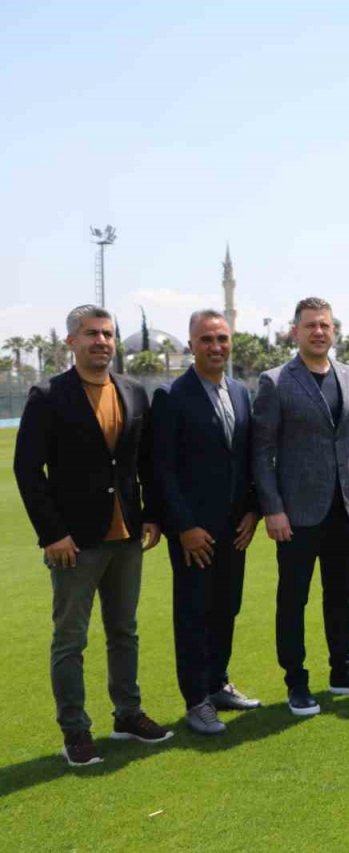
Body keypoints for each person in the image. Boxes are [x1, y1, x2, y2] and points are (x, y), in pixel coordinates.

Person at [14, 305, 171, 767]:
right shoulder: (48, 395)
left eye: (107, 334)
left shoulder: (133, 391)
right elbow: (28, 470)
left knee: (125, 631)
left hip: (127, 537)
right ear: (71, 343)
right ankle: (76, 731)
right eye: (91, 334)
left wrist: (151, 515)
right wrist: (53, 534)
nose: (101, 341)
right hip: (75, 542)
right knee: (71, 640)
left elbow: (145, 461)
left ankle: (128, 714)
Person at [253, 297, 349, 716]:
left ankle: (342, 671)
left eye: (325, 325)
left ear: (334, 331)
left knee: (340, 595)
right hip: (296, 513)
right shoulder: (276, 382)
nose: (318, 332)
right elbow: (262, 451)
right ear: (295, 332)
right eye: (310, 325)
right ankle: (296, 681)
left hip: (345, 506)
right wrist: (272, 507)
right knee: (293, 599)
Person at [150, 310, 261, 735]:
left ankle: (217, 684)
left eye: (222, 338)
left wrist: (252, 510)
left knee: (226, 607)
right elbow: (162, 470)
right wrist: (183, 527)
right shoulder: (172, 396)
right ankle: (196, 700)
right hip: (195, 532)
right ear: (191, 344)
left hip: (235, 528)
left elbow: (247, 458)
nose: (216, 346)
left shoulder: (240, 392)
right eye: (206, 339)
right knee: (194, 612)